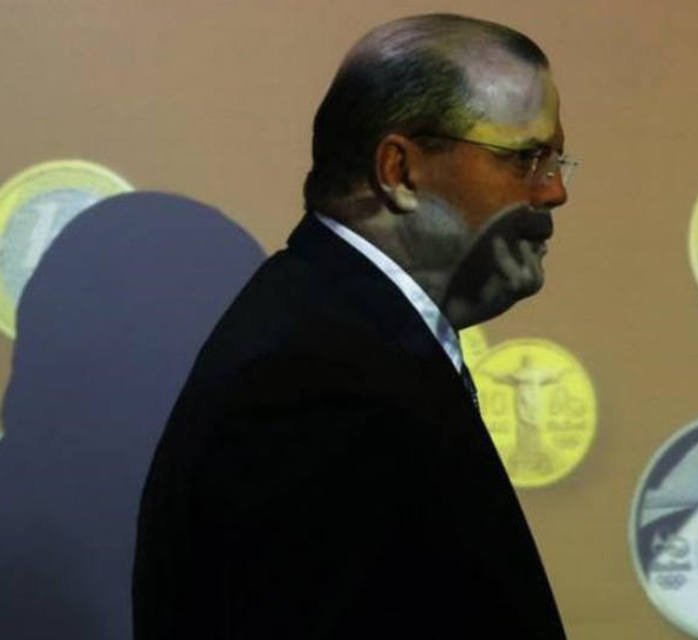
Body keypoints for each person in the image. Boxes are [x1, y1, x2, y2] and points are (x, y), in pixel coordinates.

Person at [133, 13, 573, 639]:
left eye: (556, 160)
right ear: (399, 171)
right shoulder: (309, 387)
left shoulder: (346, 335)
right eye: (526, 158)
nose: (555, 191)